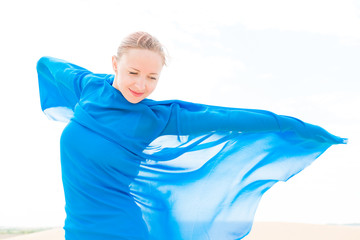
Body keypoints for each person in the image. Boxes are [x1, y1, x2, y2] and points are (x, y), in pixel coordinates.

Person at [37, 31, 346, 240]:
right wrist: (103, 84)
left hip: (122, 229)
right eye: (133, 73)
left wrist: (290, 124)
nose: (141, 85)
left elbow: (226, 118)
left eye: (152, 77)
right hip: (77, 229)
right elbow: (46, 64)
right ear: (115, 64)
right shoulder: (89, 88)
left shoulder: (155, 118)